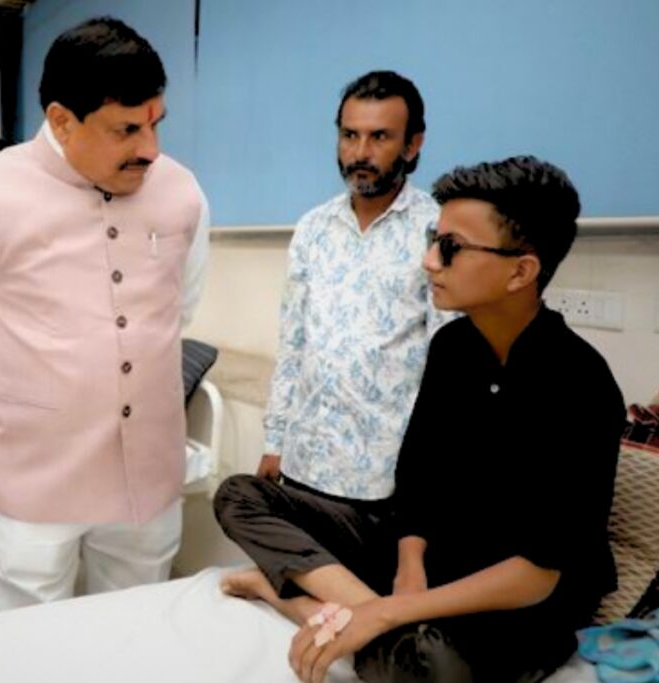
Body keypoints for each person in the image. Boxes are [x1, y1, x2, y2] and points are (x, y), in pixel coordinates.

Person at [222, 156, 625, 683]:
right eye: (434, 239)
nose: (429, 261)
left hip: (519, 599)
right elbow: (416, 481)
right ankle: (359, 617)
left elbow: (537, 572)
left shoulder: (579, 385)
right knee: (240, 495)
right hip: (434, 565)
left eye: (451, 248)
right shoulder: (453, 347)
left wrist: (389, 612)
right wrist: (409, 571)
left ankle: (299, 602)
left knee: (438, 668)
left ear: (521, 271)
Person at [0, 16, 209, 611]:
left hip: (147, 475)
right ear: (61, 120)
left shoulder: (183, 191)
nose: (150, 149)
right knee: (31, 636)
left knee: (137, 622)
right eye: (127, 129)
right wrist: (34, 388)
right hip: (35, 478)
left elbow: (177, 309)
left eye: (156, 124)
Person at [214, 70, 444, 609]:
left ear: (414, 144)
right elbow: (294, 342)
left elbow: (446, 361)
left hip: (387, 482)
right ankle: (297, 595)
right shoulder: (313, 228)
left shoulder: (437, 230)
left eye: (380, 137)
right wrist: (276, 439)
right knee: (240, 506)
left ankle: (295, 595)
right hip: (306, 464)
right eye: (349, 135)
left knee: (367, 595)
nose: (360, 152)